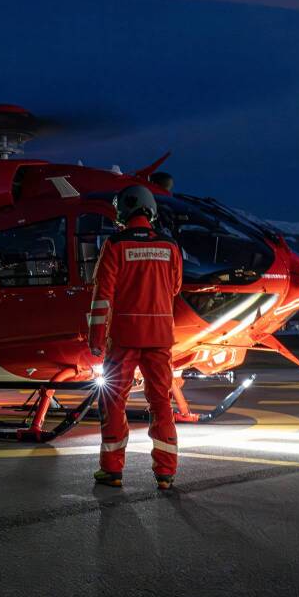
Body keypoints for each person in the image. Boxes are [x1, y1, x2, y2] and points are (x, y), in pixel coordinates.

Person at [88, 185, 183, 489]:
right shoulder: (170, 247)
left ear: (124, 211)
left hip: (125, 337)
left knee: (113, 400)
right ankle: (166, 473)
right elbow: (176, 287)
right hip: (160, 338)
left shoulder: (116, 245)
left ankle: (112, 470)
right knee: (161, 403)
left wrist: (96, 339)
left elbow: (102, 298)